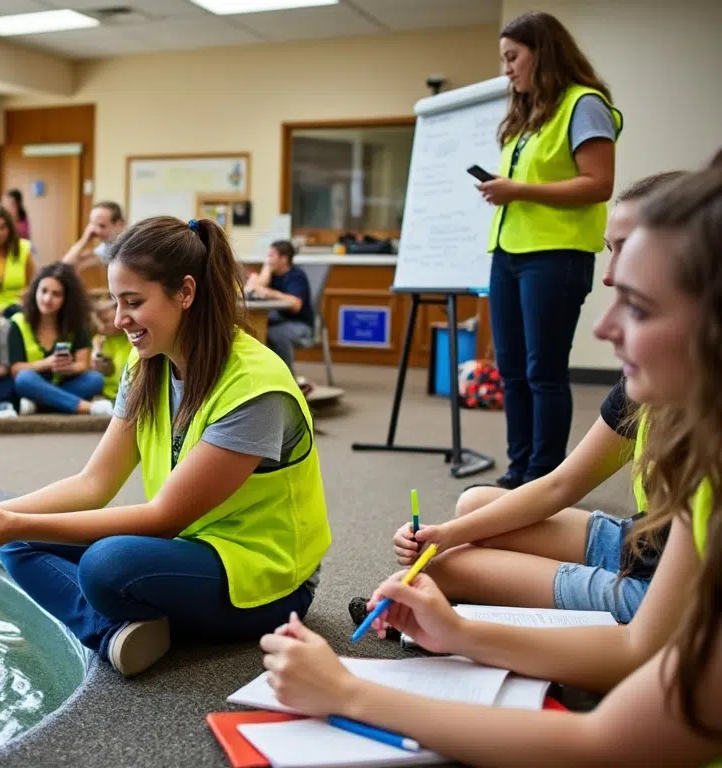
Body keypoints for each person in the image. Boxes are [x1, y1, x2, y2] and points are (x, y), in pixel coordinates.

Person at [260, 167, 722, 767]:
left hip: (650, 587)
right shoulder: (698, 450)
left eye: (636, 305)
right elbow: (561, 488)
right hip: (644, 553)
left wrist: (349, 692)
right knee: (472, 516)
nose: (606, 325)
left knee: (459, 563)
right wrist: (459, 632)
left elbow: (607, 732)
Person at [0, 216, 333, 677]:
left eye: (133, 302)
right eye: (116, 302)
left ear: (186, 293)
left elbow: (164, 518)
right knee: (21, 541)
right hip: (190, 548)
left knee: (106, 566)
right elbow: (93, 483)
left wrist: (11, 523)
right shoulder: (146, 363)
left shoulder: (256, 386)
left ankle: (127, 620)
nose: (119, 320)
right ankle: (115, 632)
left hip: (268, 581)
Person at [373, 171, 685, 627]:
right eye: (609, 249)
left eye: (628, 248)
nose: (609, 275)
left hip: (658, 585)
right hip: (641, 541)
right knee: (473, 506)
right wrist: (446, 534)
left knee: (444, 569)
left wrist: (456, 615)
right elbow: (560, 485)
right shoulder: (647, 373)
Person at [482, 11, 622, 489]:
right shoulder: (527, 116)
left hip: (556, 255)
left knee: (543, 370)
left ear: (542, 52)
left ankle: (542, 476)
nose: (507, 69)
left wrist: (517, 190)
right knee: (512, 370)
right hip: (509, 253)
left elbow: (598, 183)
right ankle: (518, 468)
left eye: (513, 57)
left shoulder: (584, 104)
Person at [8, 263, 111, 416]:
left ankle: (40, 404)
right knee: (24, 379)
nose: (47, 299)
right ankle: (87, 407)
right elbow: (16, 369)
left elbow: (83, 364)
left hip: (65, 383)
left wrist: (70, 368)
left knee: (95, 379)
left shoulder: (76, 323)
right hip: (32, 382)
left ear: (67, 299)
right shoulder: (18, 322)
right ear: (35, 291)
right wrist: (47, 363)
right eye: (43, 291)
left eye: (56, 294)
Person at [245, 239, 313, 371]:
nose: (268, 259)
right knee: (253, 329)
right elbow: (252, 290)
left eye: (271, 256)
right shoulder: (272, 275)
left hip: (300, 325)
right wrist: (264, 272)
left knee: (275, 334)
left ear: (284, 259)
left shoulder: (296, 276)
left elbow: (296, 305)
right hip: (278, 321)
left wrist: (270, 292)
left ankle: (288, 379)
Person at [90, 297, 132, 402]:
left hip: (129, 393)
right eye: (98, 322)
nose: (101, 326)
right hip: (106, 393)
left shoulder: (131, 340)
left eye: (105, 321)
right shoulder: (99, 341)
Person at [62, 201, 125, 268]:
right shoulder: (104, 248)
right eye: (93, 224)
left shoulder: (126, 250)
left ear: (119, 225)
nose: (96, 231)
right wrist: (84, 240)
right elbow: (65, 265)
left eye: (102, 226)